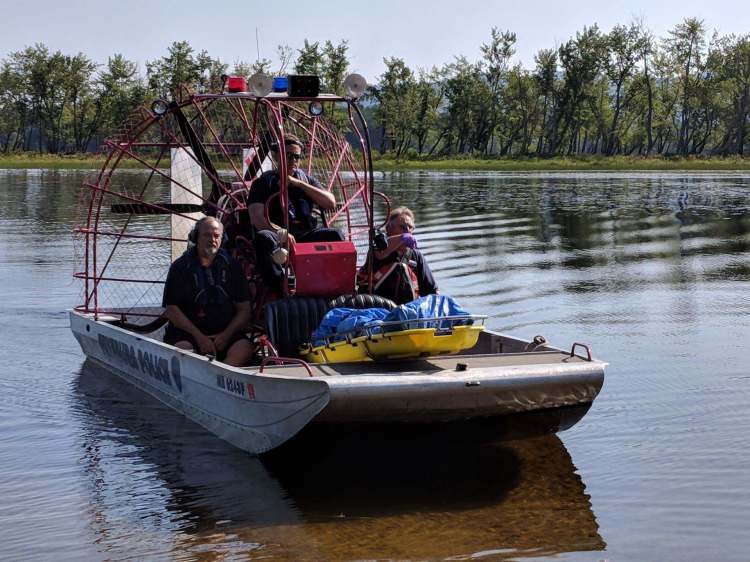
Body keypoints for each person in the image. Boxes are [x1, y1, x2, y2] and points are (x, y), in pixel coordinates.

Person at [247, 134, 344, 290]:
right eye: (288, 156)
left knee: (335, 235)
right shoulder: (262, 183)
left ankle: (333, 283)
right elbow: (256, 219)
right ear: (276, 156)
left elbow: (330, 203)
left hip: (305, 234)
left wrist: (299, 184)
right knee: (263, 238)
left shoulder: (307, 180)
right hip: (278, 236)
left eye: (296, 157)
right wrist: (281, 233)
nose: (293, 160)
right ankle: (280, 285)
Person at [162, 216, 255, 366]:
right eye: (207, 235)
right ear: (195, 237)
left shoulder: (233, 267)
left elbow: (244, 310)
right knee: (184, 351)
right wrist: (199, 337)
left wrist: (226, 335)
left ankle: (222, 377)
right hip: (189, 334)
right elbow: (172, 310)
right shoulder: (180, 267)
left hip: (225, 333)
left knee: (243, 349)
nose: (212, 239)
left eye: (216, 236)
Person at [358, 206, 438, 305]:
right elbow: (381, 254)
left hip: (409, 310)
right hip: (378, 309)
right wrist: (402, 238)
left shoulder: (416, 256)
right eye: (403, 227)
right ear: (389, 229)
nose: (408, 231)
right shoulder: (377, 251)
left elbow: (431, 291)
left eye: (410, 227)